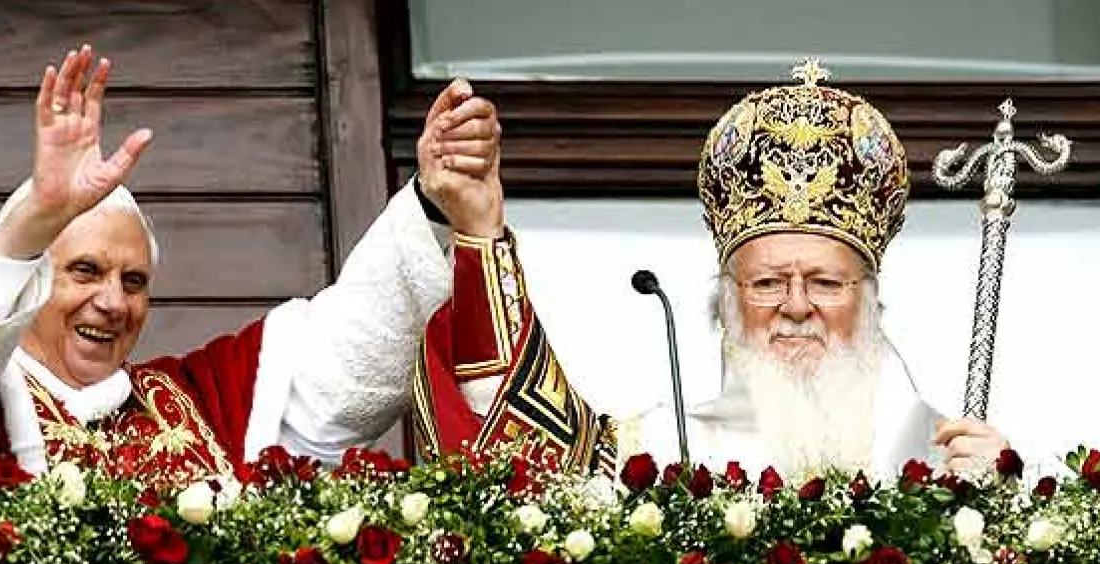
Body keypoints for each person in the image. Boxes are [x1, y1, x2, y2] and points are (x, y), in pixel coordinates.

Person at [0, 45, 503, 484]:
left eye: (133, 282)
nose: (113, 302)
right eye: (85, 271)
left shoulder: (193, 403)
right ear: (31, 280)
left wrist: (434, 201)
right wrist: (35, 220)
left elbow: (350, 353)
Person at [413, 61, 1009, 482]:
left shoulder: (950, 459)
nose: (796, 306)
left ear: (869, 302)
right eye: (767, 283)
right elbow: (528, 459)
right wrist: (479, 228)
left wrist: (1000, 506)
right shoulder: (656, 457)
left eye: (826, 283)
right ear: (726, 306)